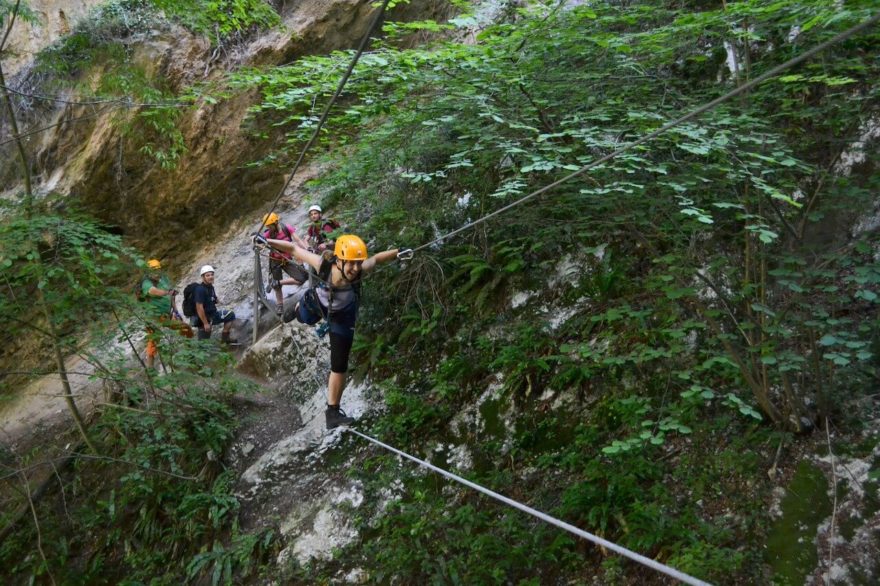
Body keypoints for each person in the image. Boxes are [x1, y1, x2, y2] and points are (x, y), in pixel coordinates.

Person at [254, 233, 412, 429]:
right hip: (316, 305)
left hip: (343, 315)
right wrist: (267, 242)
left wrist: (399, 253)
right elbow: (294, 249)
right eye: (350, 263)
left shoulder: (360, 268)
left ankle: (333, 412)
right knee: (304, 317)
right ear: (339, 260)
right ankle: (293, 310)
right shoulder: (325, 265)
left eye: (357, 263)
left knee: (339, 364)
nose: (355, 269)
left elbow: (377, 258)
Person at [141, 259, 190, 368]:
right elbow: (153, 291)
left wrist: (175, 310)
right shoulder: (146, 283)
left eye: (158, 270)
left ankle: (190, 352)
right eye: (154, 270)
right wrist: (168, 292)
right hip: (153, 317)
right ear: (148, 272)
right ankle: (150, 369)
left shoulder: (163, 279)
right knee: (153, 342)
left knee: (185, 328)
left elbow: (171, 294)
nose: (157, 273)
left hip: (167, 314)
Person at [262, 212, 309, 316]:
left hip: (287, 260)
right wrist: (256, 239)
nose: (269, 228)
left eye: (270, 226)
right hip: (275, 261)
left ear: (276, 222)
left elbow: (297, 239)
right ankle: (280, 305)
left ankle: (278, 282)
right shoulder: (268, 234)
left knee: (301, 278)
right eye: (268, 226)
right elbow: (261, 241)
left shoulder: (286, 228)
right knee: (277, 287)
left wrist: (306, 249)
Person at [193, 265, 237, 344]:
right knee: (203, 343)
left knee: (230, 315)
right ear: (203, 277)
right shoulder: (200, 290)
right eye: (208, 275)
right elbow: (199, 308)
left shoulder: (210, 287)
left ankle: (225, 340)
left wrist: (219, 301)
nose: (211, 277)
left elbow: (214, 298)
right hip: (204, 319)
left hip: (214, 315)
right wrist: (206, 323)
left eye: (212, 274)